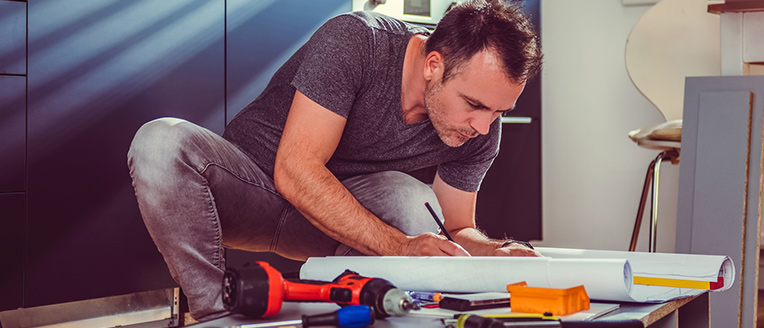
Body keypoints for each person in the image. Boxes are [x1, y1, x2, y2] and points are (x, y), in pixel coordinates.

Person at [128, 0, 543, 321]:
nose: (484, 127)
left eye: (498, 112)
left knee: (411, 199)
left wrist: (496, 250)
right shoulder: (357, 40)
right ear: (434, 66)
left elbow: (454, 228)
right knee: (160, 141)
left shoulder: (480, 125)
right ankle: (214, 313)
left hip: (335, 227)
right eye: (474, 105)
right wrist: (401, 247)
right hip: (250, 191)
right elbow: (295, 171)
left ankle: (365, 312)